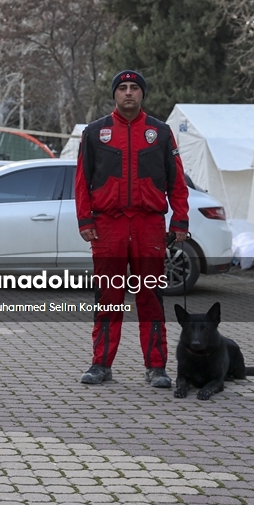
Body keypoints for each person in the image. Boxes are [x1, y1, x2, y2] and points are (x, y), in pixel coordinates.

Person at [75, 70, 189, 387]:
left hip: (148, 225)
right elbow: (82, 180)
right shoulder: (95, 133)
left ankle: (156, 367)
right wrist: (85, 219)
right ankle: (100, 364)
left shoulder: (161, 132)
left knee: (149, 297)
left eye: (134, 88)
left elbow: (177, 182)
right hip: (107, 226)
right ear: (114, 94)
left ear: (142, 95)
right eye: (122, 88)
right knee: (108, 297)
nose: (128, 93)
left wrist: (180, 219)